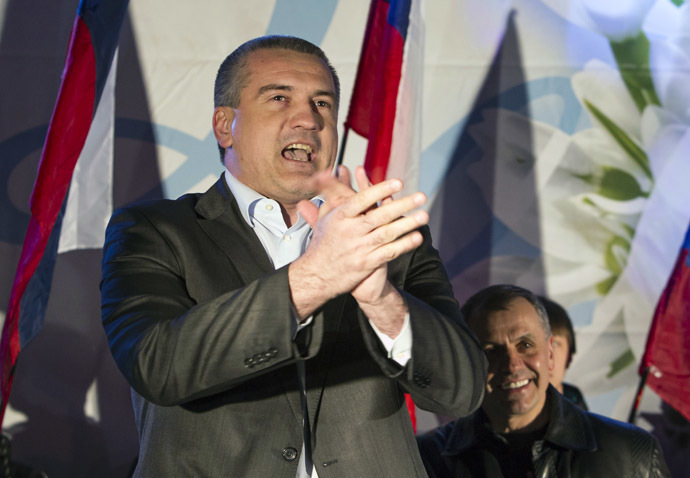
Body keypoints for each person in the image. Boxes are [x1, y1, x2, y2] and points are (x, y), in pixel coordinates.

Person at [100, 35, 486, 477]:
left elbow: (463, 391)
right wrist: (315, 278)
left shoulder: (384, 237)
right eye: (279, 98)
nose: (308, 119)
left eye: (323, 104)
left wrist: (382, 302)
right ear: (226, 126)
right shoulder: (152, 230)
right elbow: (158, 366)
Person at [417, 284, 670, 478]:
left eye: (525, 345)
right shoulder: (428, 459)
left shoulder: (631, 454)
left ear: (550, 355)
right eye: (491, 351)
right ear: (467, 363)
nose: (512, 364)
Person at [539, 295, 588, 410]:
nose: (546, 355)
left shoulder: (586, 424)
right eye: (530, 345)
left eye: (555, 343)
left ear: (569, 356)